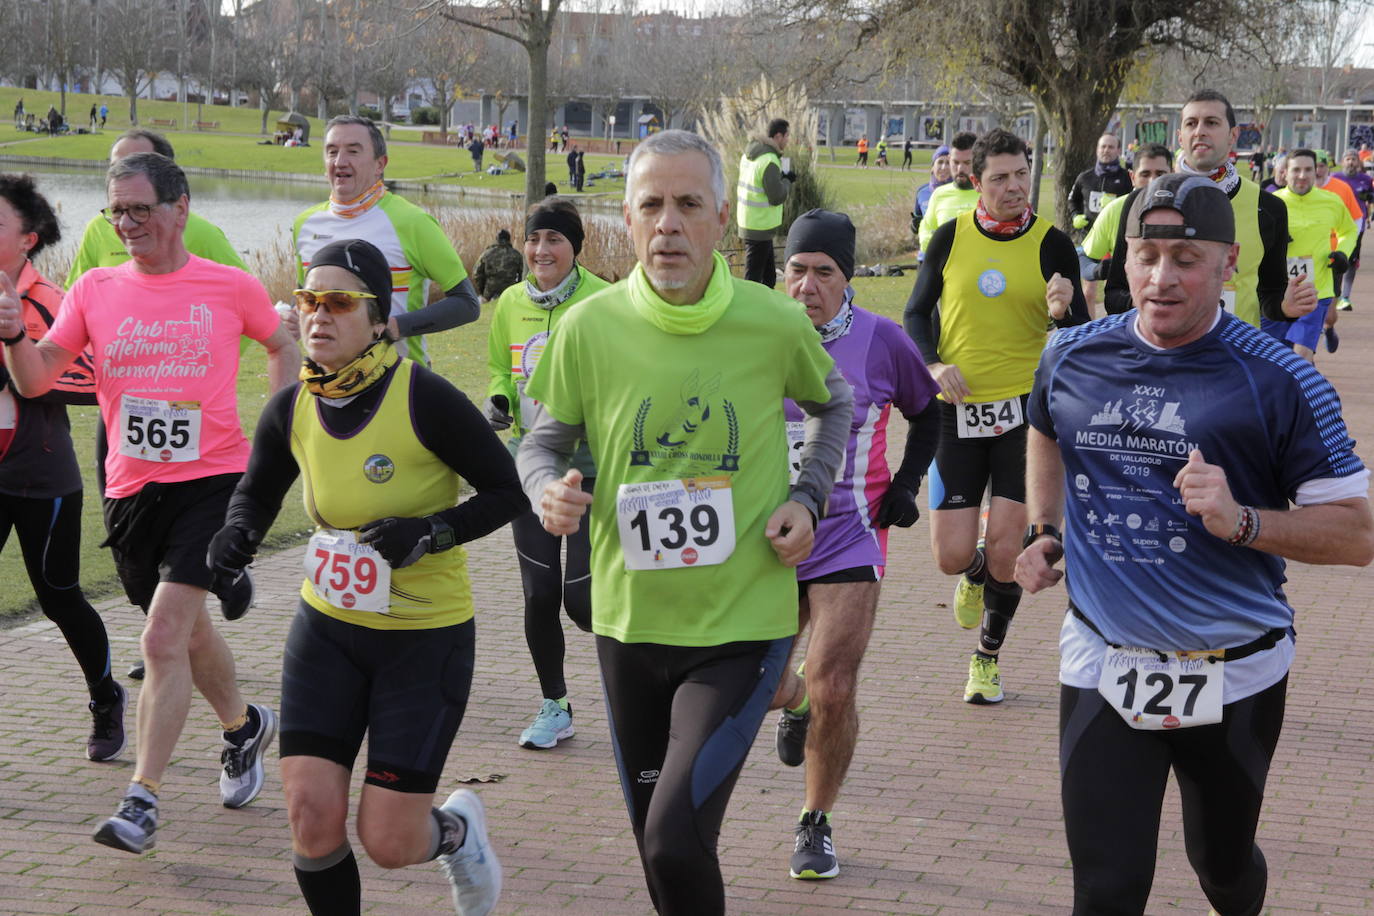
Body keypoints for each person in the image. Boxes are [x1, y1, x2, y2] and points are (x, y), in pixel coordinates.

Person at [1015, 171, 1373, 916]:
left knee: (1222, 867)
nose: (1161, 277)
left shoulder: (1280, 379)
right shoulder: (1073, 354)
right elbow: (1046, 428)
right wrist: (1045, 529)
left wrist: (1243, 520)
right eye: (1145, 256)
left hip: (1234, 669)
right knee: (1107, 888)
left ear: (1229, 262)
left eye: (1186, 260)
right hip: (1105, 660)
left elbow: (1357, 536)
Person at [516, 129, 854, 915]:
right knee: (660, 848)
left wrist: (808, 498)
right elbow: (543, 441)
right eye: (651, 206)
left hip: (742, 626)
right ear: (627, 222)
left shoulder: (771, 321)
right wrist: (544, 489)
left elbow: (833, 403)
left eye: (688, 205)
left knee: (672, 837)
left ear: (723, 219)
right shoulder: (589, 327)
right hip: (629, 625)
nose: (668, 224)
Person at [208, 238, 523, 916]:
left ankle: (457, 833)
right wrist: (236, 538)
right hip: (326, 632)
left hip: (423, 638)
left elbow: (509, 491)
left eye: (339, 302)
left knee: (386, 839)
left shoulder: (425, 399)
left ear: (380, 318)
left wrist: (431, 532)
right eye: (308, 300)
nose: (318, 315)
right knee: (310, 815)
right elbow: (256, 493)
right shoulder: (291, 406)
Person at [0, 152, 296, 854]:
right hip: (131, 490)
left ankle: (142, 799)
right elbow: (38, 379)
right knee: (189, 635)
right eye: (116, 211)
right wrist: (13, 334)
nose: (127, 223)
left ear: (180, 207)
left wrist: (274, 441)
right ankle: (244, 725)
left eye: (140, 209)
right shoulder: (96, 288)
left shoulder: (228, 286)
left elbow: (280, 344)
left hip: (214, 484)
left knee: (162, 638)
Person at [767, 209, 940, 880]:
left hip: (848, 533)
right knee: (762, 679)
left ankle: (815, 821)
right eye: (797, 271)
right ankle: (794, 700)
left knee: (834, 683)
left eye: (824, 273)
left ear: (848, 278)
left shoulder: (882, 341)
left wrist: (906, 483)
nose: (808, 286)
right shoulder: (757, 335)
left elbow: (929, 413)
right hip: (770, 537)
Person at [903, 127, 1089, 704]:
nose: (1014, 187)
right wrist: (933, 364)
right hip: (955, 414)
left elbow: (1080, 336)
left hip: (1024, 419)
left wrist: (1061, 313)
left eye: (1021, 175)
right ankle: (975, 570)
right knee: (951, 555)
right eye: (1000, 178)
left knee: (1012, 550)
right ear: (976, 184)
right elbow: (914, 313)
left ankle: (986, 658)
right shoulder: (950, 237)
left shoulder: (1053, 244)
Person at [0, 173, 124, 762]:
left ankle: (104, 697)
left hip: (42, 479)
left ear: (27, 239)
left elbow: (88, 380)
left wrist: (16, 355)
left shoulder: (49, 299)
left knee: (59, 597)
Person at [485, 197, 609, 750]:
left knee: (581, 603)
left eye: (554, 240)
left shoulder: (605, 300)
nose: (540, 250)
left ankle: (642, 685)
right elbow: (499, 366)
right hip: (529, 470)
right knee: (539, 595)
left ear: (575, 247)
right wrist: (498, 396)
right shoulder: (511, 301)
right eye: (535, 239)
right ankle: (554, 705)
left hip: (590, 474)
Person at [1103, 90, 1306, 330]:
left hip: (1233, 355)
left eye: (1211, 122)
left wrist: (1285, 307)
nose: (1200, 131)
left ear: (1233, 135)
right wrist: (1157, 303)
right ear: (1180, 137)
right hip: (1162, 355)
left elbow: (1270, 294)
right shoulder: (1141, 201)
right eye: (1191, 123)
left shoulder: (1269, 208)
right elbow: (1115, 293)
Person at [293, 116, 479, 365]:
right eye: (332, 151)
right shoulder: (305, 224)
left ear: (380, 164)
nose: (340, 162)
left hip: (399, 383)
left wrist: (396, 327)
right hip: (326, 387)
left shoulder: (412, 222)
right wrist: (291, 317)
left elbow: (467, 303)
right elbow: (306, 302)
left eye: (353, 151)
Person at [66, 131, 248, 288]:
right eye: (116, 167)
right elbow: (70, 297)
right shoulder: (98, 228)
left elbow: (249, 301)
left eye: (139, 164)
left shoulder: (204, 233)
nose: (124, 174)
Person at [1266, 149, 1356, 362]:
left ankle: (1304, 376)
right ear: (1285, 173)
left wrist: (1342, 253)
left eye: (1308, 170)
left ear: (1316, 172)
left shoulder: (1331, 201)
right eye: (1296, 170)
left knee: (1301, 356)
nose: (1302, 175)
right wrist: (1273, 239)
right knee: (1275, 359)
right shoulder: (1271, 203)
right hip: (1277, 293)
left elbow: (1349, 231)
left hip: (1316, 290)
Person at [1080, 144, 1173, 289]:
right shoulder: (1114, 210)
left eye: (1160, 174)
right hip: (1127, 305)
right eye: (1145, 174)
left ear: (1172, 175)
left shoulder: (1187, 210)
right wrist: (1099, 270)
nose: (1153, 181)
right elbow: (1084, 257)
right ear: (1132, 177)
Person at [1069, 134, 1132, 305]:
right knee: (1088, 292)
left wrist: (1116, 204)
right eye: (1103, 146)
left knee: (1114, 291)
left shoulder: (1127, 177)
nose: (1106, 150)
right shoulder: (1085, 177)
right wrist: (1076, 216)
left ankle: (1111, 326)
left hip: (1116, 240)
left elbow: (1135, 200)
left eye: (1111, 147)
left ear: (1118, 150)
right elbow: (1072, 200)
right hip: (1091, 238)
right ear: (1097, 149)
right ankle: (1092, 329)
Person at [736, 118, 795, 289]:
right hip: (759, 226)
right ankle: (746, 313)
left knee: (769, 278)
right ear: (778, 136)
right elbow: (776, 197)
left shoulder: (750, 154)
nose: (788, 140)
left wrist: (781, 179)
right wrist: (788, 181)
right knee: (753, 280)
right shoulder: (769, 159)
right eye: (787, 136)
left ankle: (766, 311)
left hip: (752, 222)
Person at [918, 132, 979, 252]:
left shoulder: (990, 195)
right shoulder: (939, 194)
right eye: (956, 162)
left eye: (967, 163)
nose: (960, 169)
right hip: (943, 268)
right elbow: (926, 232)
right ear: (950, 160)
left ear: (978, 161)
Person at [1334, 148, 1372, 310]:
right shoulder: (1334, 178)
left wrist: (1368, 197)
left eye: (1353, 159)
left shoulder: (1365, 179)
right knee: (1335, 260)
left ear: (1358, 162)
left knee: (1351, 261)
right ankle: (1333, 295)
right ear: (1343, 161)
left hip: (1357, 227)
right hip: (1335, 227)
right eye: (1348, 159)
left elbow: (1372, 196)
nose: (1350, 162)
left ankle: (1345, 297)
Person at [912, 144, 952, 254]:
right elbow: (917, 221)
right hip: (927, 254)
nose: (944, 167)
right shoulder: (922, 192)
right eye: (940, 162)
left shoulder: (960, 192)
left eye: (948, 163)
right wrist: (914, 225)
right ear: (932, 167)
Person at [471, 228, 524, 301]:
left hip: (490, 292)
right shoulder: (516, 255)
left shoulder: (487, 254)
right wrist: (517, 290)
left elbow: (476, 273)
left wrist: (482, 290)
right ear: (509, 239)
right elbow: (522, 274)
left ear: (497, 239)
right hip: (510, 291)